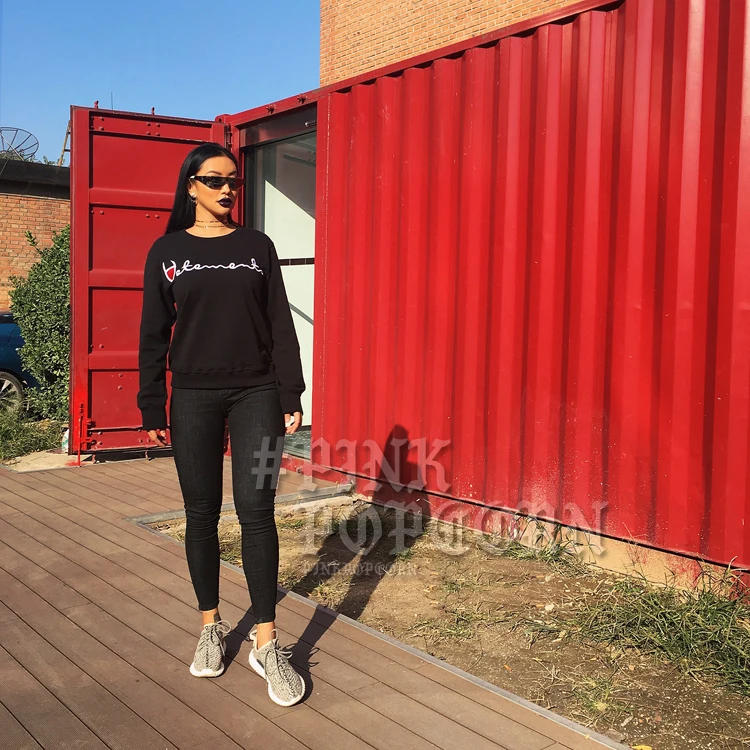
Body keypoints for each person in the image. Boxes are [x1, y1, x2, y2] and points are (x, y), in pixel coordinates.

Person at [137, 143, 305, 707]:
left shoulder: (257, 247)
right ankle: (210, 626)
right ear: (191, 186)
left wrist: (291, 390)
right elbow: (152, 333)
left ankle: (266, 642)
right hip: (191, 397)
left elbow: (280, 322)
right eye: (215, 180)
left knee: (258, 512)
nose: (228, 189)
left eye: (233, 180)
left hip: (258, 393)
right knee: (201, 514)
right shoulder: (167, 251)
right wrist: (149, 403)